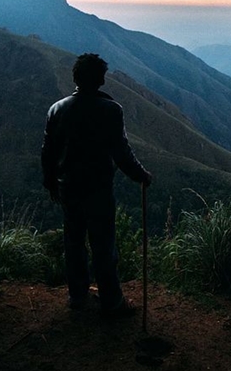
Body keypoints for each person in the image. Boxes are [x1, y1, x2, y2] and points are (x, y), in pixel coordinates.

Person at [41, 53, 152, 319]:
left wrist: (50, 182)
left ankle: (78, 297)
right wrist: (141, 176)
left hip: (68, 186)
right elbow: (121, 152)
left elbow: (48, 152)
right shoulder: (111, 110)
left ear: (76, 77)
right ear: (100, 79)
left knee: (74, 242)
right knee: (103, 245)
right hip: (98, 188)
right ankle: (112, 301)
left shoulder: (57, 108)